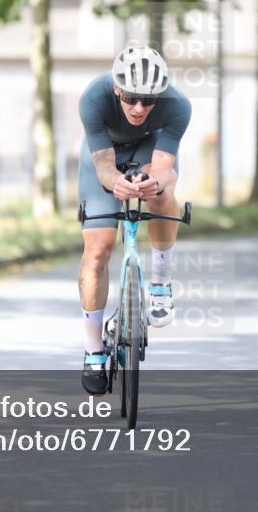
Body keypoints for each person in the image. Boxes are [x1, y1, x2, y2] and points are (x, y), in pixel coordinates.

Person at [77, 46, 191, 395]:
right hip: (103, 154)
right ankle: (93, 349)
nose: (139, 108)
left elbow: (162, 167)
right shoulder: (94, 99)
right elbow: (104, 167)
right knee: (99, 249)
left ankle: (159, 283)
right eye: (130, 98)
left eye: (149, 100)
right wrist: (116, 183)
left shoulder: (179, 106)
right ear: (116, 89)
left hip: (150, 149)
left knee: (163, 193)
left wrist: (153, 182)